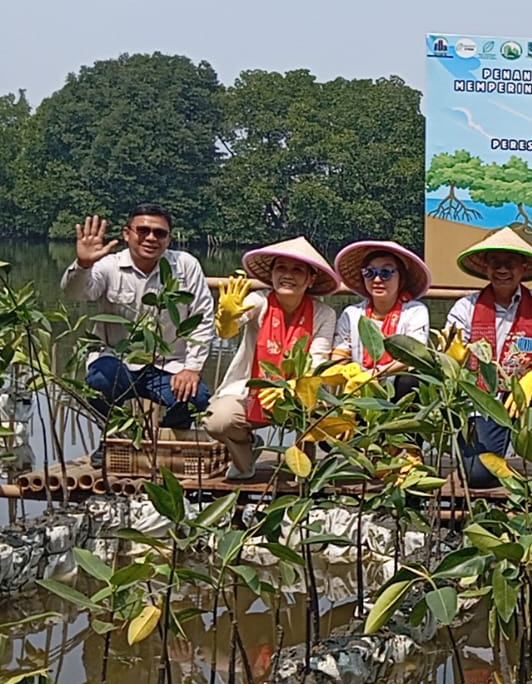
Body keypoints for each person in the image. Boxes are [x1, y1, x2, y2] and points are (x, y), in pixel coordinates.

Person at [61, 205, 215, 468]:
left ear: (169, 237)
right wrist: (84, 264)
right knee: (98, 380)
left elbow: (203, 317)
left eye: (159, 233)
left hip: (170, 364)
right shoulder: (109, 265)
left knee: (197, 398)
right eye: (143, 230)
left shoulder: (185, 265)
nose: (151, 238)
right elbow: (76, 293)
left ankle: (165, 439)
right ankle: (114, 438)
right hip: (119, 359)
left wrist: (192, 367)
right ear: (127, 233)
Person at [444, 226, 532, 488]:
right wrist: (453, 354)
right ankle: (504, 469)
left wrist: (530, 380)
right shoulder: (466, 307)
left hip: (525, 398)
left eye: (510, 263)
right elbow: (448, 360)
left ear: (523, 267)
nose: (502, 270)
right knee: (478, 477)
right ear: (486, 267)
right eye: (495, 263)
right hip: (482, 401)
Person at [204, 237, 339, 480]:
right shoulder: (260, 301)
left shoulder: (324, 314)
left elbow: (318, 362)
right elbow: (232, 327)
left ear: (311, 279)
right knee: (217, 420)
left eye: (297, 269)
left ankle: (304, 470)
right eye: (281, 268)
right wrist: (226, 319)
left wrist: (289, 388)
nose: (288, 275)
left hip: (299, 396)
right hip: (252, 390)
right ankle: (246, 457)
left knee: (317, 409)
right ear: (272, 273)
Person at [331, 239, 432, 402]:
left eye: (386, 273)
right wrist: (348, 372)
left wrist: (378, 373)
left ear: (401, 278)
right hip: (358, 385)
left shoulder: (414, 311)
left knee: (410, 381)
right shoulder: (352, 314)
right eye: (369, 273)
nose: (377, 280)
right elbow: (339, 354)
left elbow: (413, 354)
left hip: (397, 386)